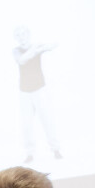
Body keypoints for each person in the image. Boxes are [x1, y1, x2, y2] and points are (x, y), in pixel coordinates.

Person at [12, 26, 61, 163]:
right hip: (25, 92)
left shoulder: (36, 47)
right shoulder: (16, 51)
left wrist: (41, 48)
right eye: (18, 35)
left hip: (40, 89)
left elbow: (53, 45)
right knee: (27, 124)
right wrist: (35, 50)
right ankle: (30, 153)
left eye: (23, 34)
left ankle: (55, 149)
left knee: (47, 120)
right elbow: (21, 60)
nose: (21, 38)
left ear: (28, 35)